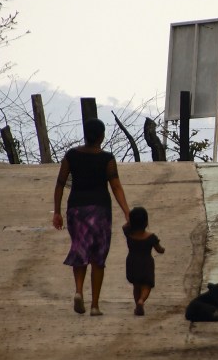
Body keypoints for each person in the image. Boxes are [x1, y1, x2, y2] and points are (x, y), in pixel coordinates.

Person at [52, 118, 130, 316]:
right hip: (100, 211)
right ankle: (95, 305)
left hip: (76, 210)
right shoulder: (107, 159)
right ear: (102, 136)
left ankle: (79, 291)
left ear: (85, 135)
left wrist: (57, 212)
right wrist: (127, 213)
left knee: (80, 249)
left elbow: (60, 184)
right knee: (98, 257)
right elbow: (116, 186)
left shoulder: (71, 156)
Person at [123, 206, 165, 316]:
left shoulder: (129, 234)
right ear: (146, 222)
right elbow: (159, 249)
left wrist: (129, 222)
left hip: (132, 262)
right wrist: (162, 249)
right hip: (146, 263)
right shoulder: (151, 237)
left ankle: (137, 304)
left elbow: (124, 227)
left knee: (136, 285)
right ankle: (141, 301)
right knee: (147, 286)